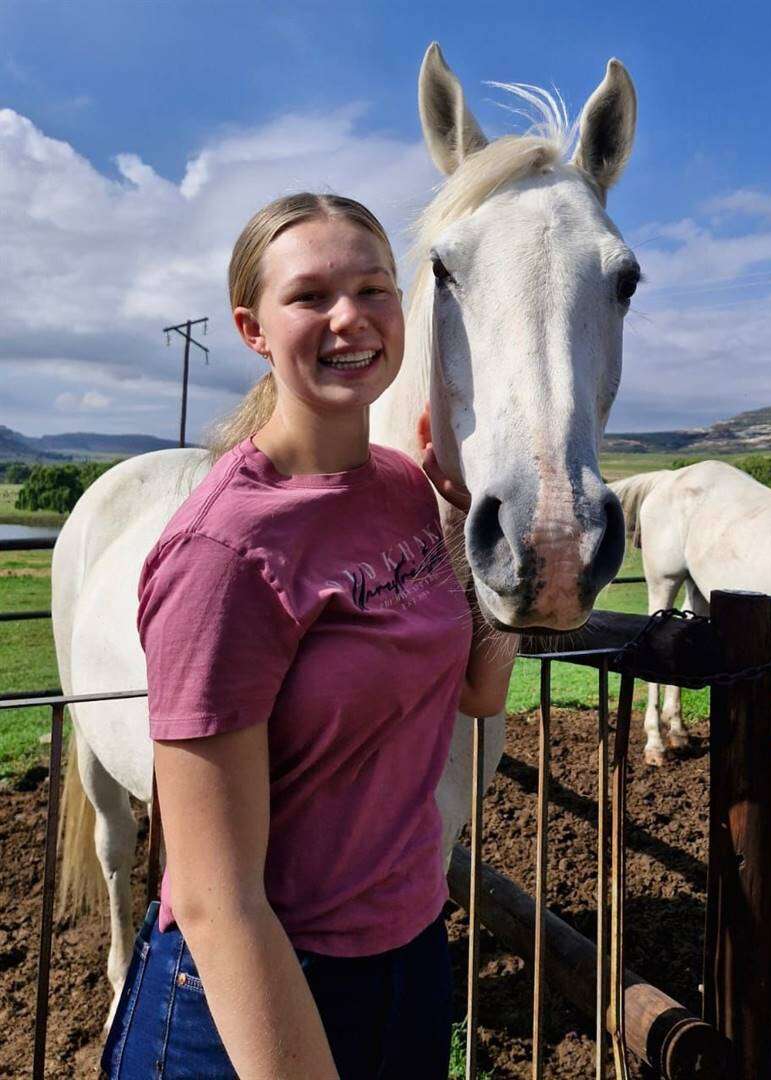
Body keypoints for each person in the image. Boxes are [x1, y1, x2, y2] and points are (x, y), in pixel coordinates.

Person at [100, 193, 513, 1079]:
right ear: (251, 327)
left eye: (373, 289)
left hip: (409, 955)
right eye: (310, 296)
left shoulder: (405, 488)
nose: (349, 319)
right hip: (254, 995)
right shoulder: (225, 551)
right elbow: (215, 898)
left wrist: (479, 523)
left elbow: (476, 690)